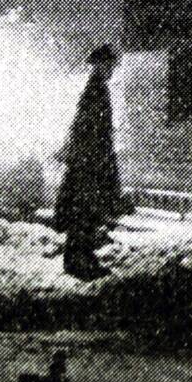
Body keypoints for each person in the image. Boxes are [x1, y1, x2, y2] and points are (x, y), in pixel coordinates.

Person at [54, 44, 131, 279]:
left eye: (113, 65)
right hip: (91, 161)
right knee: (86, 210)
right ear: (99, 64)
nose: (112, 70)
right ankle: (80, 260)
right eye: (109, 65)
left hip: (88, 160)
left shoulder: (96, 88)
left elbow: (84, 127)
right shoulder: (96, 90)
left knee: (84, 210)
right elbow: (89, 129)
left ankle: (77, 257)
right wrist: (98, 160)